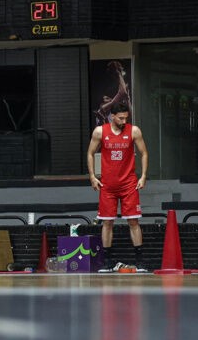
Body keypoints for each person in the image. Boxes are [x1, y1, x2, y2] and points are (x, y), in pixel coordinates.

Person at [86, 103, 149, 272]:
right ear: (111, 116)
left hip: (128, 183)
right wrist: (92, 176)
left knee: (133, 221)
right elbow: (90, 153)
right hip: (108, 185)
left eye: (126, 118)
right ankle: (107, 262)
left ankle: (140, 261)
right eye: (120, 118)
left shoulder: (134, 131)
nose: (124, 120)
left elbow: (144, 153)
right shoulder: (100, 132)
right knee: (107, 223)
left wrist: (143, 176)